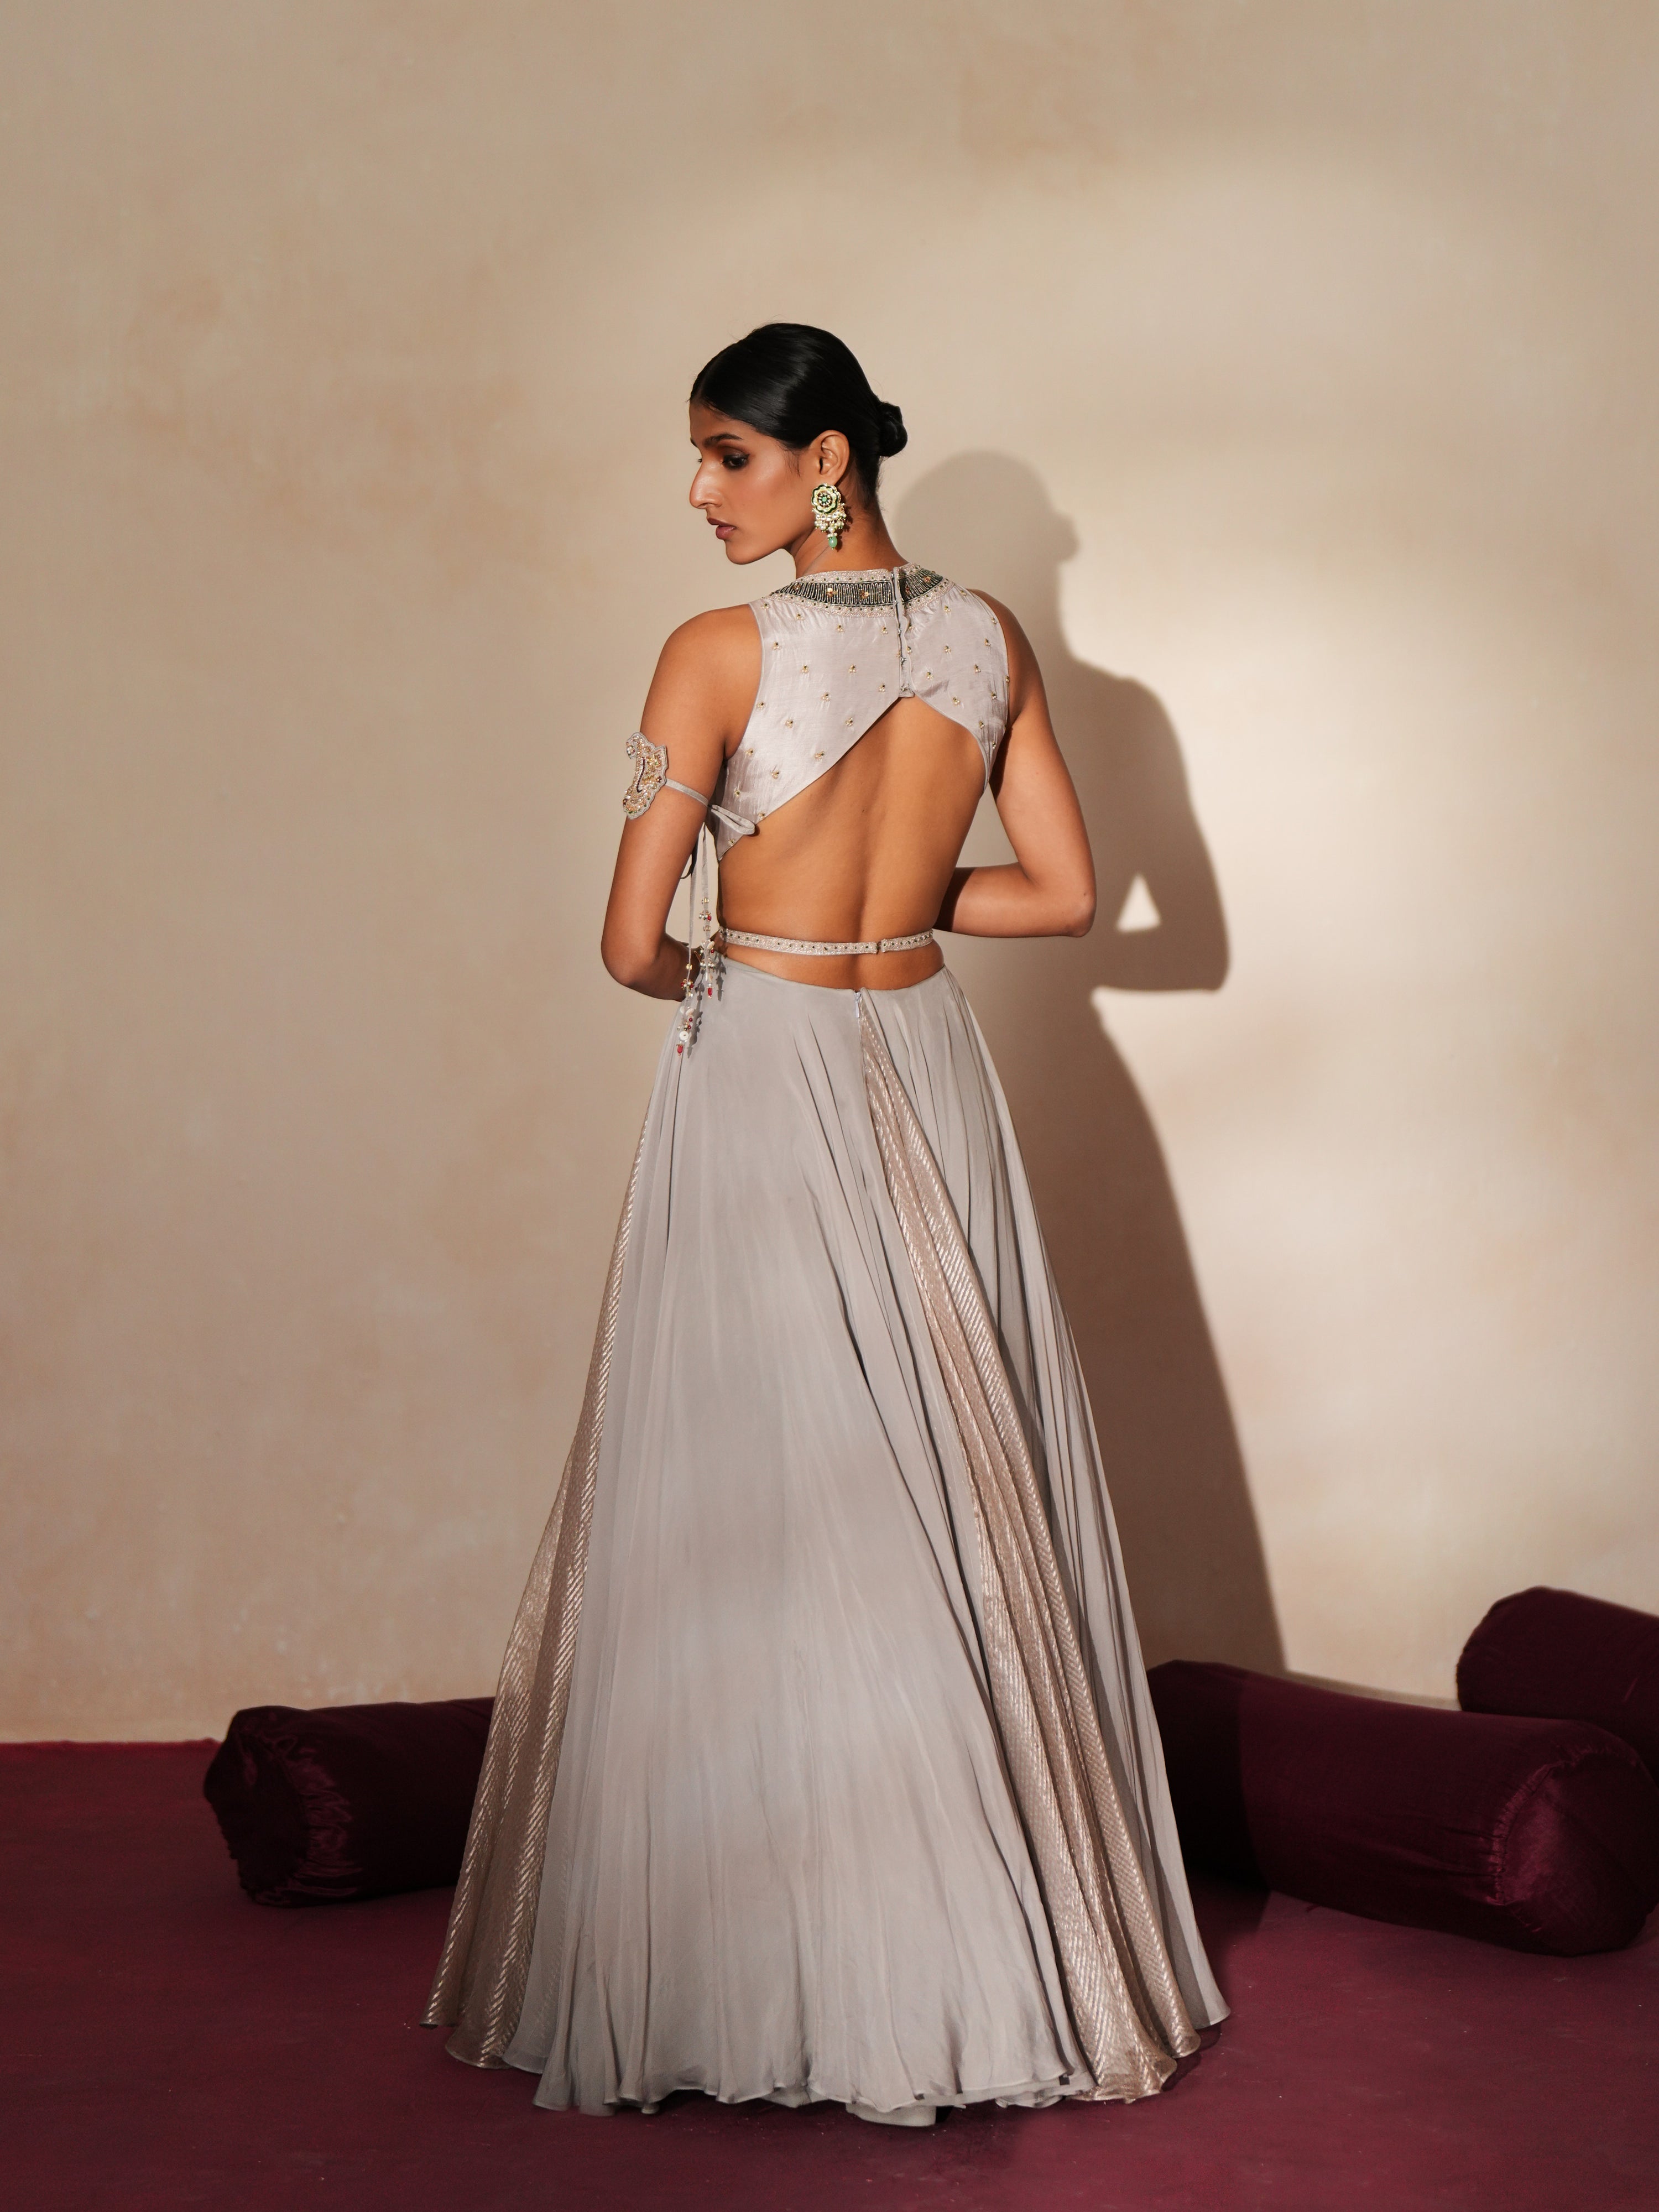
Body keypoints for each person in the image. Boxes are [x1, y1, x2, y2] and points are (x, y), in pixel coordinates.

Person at [425, 324, 1228, 2124]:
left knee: (772, 1490)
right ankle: (985, 1949)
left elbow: (632, 944)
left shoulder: (717, 653)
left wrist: (753, 929)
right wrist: (897, 891)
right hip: (924, 1044)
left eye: (728, 456)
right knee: (944, 1473)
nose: (699, 492)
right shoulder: (987, 637)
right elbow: (1075, 897)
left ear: (828, 461)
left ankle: (791, 1951)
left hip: (770, 1052)